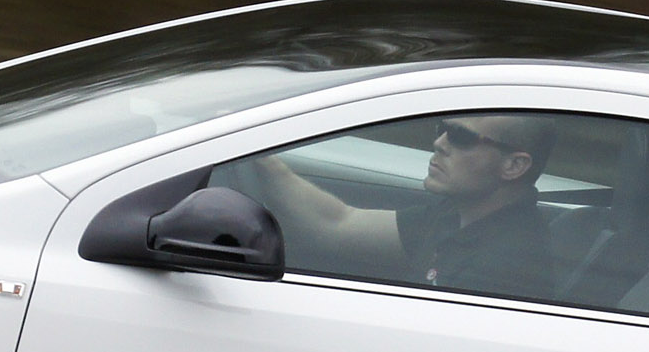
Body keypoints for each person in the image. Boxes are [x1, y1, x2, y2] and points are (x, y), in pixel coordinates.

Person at [233, 114, 561, 299]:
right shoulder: (457, 217)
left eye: (460, 137)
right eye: (443, 129)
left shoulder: (509, 264)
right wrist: (262, 158)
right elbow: (337, 224)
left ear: (514, 166)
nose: (439, 143)